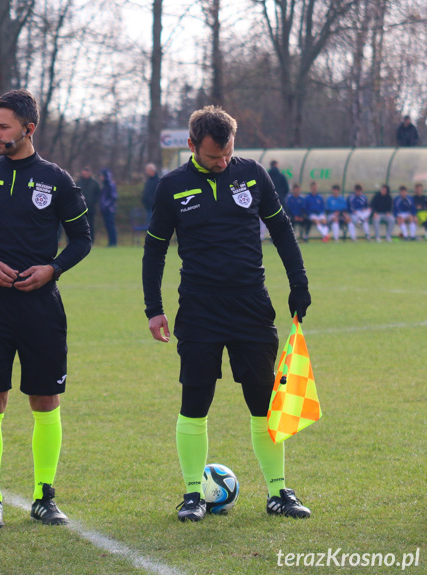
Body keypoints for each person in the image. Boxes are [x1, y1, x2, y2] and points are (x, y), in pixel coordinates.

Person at [142, 105, 312, 523]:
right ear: (192, 146)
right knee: (195, 400)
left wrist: (299, 282)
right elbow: (154, 251)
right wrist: (154, 309)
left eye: (227, 153)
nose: (222, 162)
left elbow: (282, 230)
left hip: (251, 306)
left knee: (262, 401)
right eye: (214, 155)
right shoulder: (172, 187)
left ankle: (278, 492)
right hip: (199, 309)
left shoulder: (253, 174)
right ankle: (192, 495)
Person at [0, 89, 91, 528]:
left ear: (28, 128)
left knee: (45, 400)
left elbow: (82, 239)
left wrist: (53, 269)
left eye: (3, 126)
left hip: (42, 308)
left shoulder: (57, 179)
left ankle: (44, 496)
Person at [78, 167, 101, 243]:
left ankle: (91, 240)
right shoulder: (78, 183)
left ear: (90, 173)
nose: (84, 175)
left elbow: (98, 195)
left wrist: (93, 203)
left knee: (90, 225)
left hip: (90, 208)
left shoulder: (95, 184)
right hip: (79, 208)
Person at [100, 168, 118, 246]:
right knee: (108, 226)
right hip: (105, 210)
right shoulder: (105, 185)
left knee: (111, 226)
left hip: (109, 210)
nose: (100, 177)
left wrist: (107, 205)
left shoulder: (110, 185)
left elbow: (113, 197)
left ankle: (113, 242)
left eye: (101, 176)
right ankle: (111, 242)